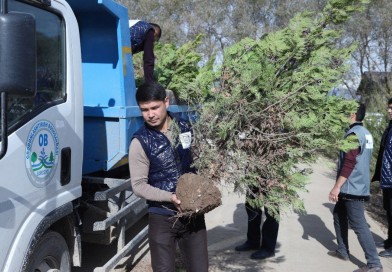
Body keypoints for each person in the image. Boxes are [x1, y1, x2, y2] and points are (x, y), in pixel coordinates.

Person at [128, 81, 208, 272]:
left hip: (192, 215)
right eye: (144, 110)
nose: (151, 114)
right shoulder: (140, 142)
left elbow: (199, 161)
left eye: (155, 107)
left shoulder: (185, 128)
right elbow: (138, 186)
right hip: (161, 217)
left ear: (166, 102)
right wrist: (170, 197)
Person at [328, 103, 383, 272]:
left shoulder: (353, 135)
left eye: (346, 112)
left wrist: (336, 187)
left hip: (352, 187)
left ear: (353, 114)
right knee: (338, 214)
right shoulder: (366, 133)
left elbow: (349, 163)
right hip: (357, 185)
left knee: (359, 225)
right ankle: (343, 250)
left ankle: (374, 264)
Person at [234, 186, 280, 260]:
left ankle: (268, 248)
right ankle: (253, 241)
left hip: (272, 179)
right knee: (251, 206)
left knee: (271, 211)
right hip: (254, 177)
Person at [372, 98, 392, 257]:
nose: (389, 111)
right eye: (389, 108)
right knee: (389, 211)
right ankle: (389, 241)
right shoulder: (390, 127)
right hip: (387, 178)